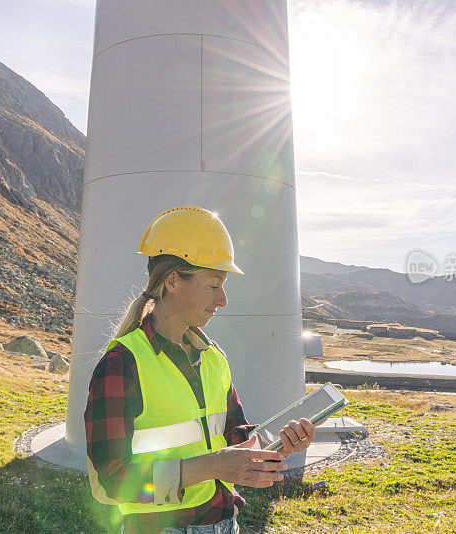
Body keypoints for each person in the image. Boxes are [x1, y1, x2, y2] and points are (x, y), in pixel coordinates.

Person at [84, 206, 315, 534]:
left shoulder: (214, 358)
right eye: (213, 285)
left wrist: (280, 443)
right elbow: (110, 481)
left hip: (225, 525)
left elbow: (234, 437)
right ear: (174, 281)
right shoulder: (122, 364)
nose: (223, 299)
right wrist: (214, 465)